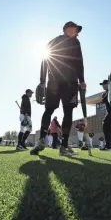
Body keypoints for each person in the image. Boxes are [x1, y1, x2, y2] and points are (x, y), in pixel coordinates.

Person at [33, 21, 86, 156]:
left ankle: (44, 141)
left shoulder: (53, 41)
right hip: (69, 82)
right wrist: (82, 80)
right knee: (67, 111)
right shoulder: (75, 42)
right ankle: (62, 146)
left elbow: (44, 59)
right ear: (67, 29)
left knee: (49, 110)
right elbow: (79, 62)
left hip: (54, 82)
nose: (77, 32)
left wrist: (42, 81)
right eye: (75, 29)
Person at [100, 79, 111, 150]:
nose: (103, 86)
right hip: (109, 112)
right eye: (102, 85)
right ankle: (108, 144)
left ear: (108, 84)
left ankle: (109, 144)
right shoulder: (104, 93)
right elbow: (104, 100)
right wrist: (108, 91)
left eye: (104, 84)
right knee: (106, 126)